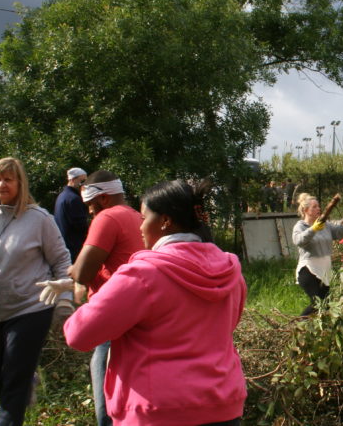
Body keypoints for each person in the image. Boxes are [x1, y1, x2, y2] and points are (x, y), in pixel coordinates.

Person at [64, 180, 247, 426]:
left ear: (164, 221)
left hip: (157, 409)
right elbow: (226, 326)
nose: (140, 226)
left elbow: (79, 334)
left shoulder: (144, 274)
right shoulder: (230, 270)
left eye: (143, 217)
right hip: (223, 406)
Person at [0, 157, 72, 426]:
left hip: (30, 309)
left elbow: (62, 261)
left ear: (20, 183)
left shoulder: (38, 219)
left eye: (7, 179)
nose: (1, 184)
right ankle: (28, 380)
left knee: (14, 379)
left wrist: (64, 302)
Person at [68, 170, 144, 426]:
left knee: (106, 409)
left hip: (112, 317)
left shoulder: (107, 217)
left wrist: (70, 271)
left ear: (101, 199)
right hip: (139, 319)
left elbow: (81, 272)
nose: (89, 212)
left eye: (90, 205)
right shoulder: (138, 217)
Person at [292, 191, 343, 316]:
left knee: (325, 304)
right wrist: (313, 229)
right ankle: (298, 327)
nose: (318, 208)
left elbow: (339, 231)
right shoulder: (300, 226)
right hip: (308, 270)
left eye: (318, 206)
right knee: (318, 303)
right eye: (314, 207)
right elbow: (299, 240)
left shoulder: (325, 225)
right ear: (306, 210)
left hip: (324, 271)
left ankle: (314, 330)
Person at [54, 167, 89, 262]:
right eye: (82, 181)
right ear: (73, 180)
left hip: (64, 246)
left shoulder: (62, 196)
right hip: (74, 249)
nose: (84, 184)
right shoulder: (73, 199)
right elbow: (81, 226)